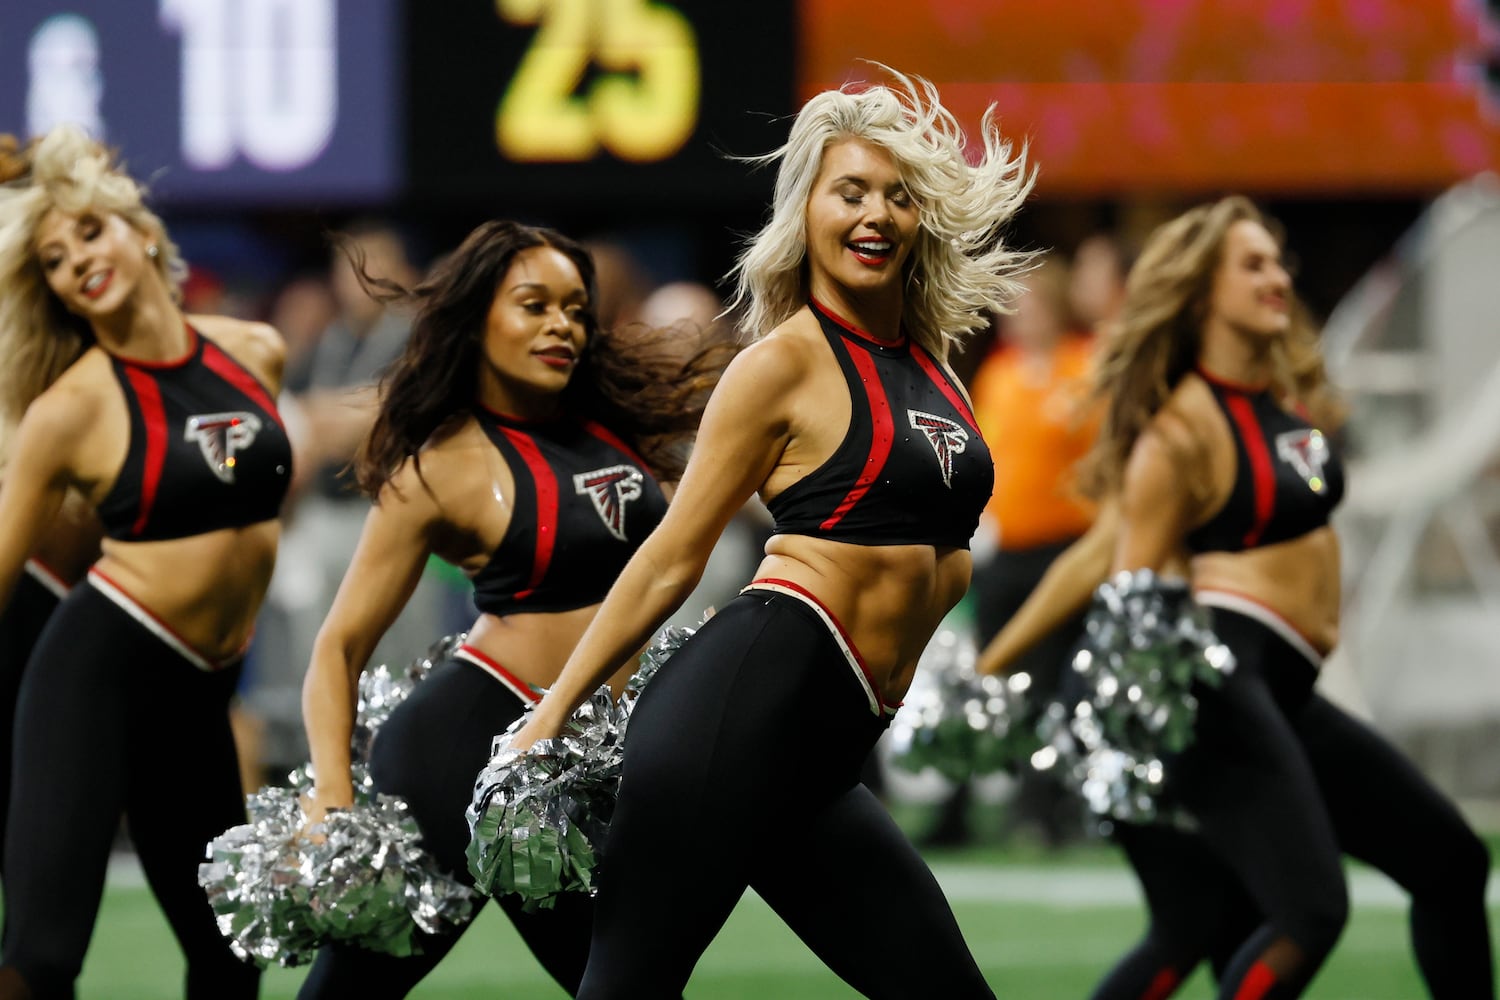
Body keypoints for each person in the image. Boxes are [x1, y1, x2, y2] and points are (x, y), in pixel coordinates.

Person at [509, 68, 1034, 998]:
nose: (876, 214)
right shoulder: (778, 365)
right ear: (807, 213)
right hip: (734, 718)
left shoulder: (937, 371)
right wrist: (552, 712)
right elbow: (673, 555)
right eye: (851, 192)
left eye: (899, 196)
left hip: (822, 761)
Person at [991, 195, 1492, 999]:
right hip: (1224, 683)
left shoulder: (1287, 402)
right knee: (1305, 914)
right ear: (1200, 293)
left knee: (1450, 864)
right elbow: (1117, 582)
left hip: (1286, 687)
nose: (1277, 276)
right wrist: (1000, 667)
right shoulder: (1178, 434)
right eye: (1252, 264)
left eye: (1278, 261)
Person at [298, 220, 723, 997]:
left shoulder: (611, 426)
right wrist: (333, 792)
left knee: (622, 978)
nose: (561, 324)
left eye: (574, 308)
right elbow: (339, 647)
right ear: (477, 318)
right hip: (465, 753)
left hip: (579, 754)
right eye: (534, 305)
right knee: (354, 986)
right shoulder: (441, 467)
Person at [0, 124, 289, 998]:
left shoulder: (254, 351)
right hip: (97, 676)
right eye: (52, 258)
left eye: (89, 230)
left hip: (202, 687)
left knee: (231, 958)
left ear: (142, 229)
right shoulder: (68, 409)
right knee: (44, 954)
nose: (76, 261)